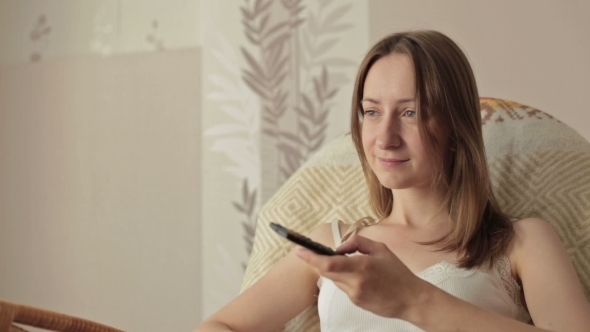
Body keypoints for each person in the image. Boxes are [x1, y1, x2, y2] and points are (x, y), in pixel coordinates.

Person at [195, 30, 590, 331]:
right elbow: (218, 326)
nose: (384, 138)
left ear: (456, 124)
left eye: (411, 113)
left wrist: (415, 300)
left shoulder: (522, 242)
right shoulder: (334, 244)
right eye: (370, 112)